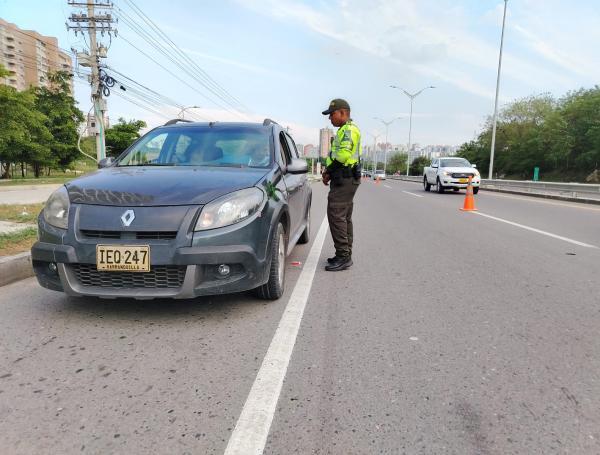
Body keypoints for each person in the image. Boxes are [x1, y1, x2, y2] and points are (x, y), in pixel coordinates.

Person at [321, 98, 362, 271]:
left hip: (344, 178)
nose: (330, 118)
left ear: (343, 113)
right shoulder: (345, 129)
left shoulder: (348, 131)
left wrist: (328, 171)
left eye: (332, 114)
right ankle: (344, 254)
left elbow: (343, 156)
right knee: (344, 217)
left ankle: (344, 256)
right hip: (345, 178)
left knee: (337, 215)